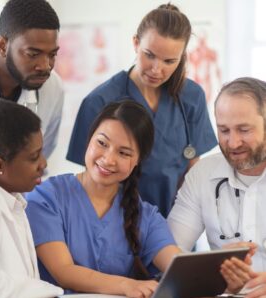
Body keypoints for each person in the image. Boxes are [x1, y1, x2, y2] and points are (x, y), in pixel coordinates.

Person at [66, 3, 217, 217]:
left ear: (182, 57)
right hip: (116, 221)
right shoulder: (100, 101)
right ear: (136, 43)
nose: (157, 69)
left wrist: (183, 223)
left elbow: (192, 169)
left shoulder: (191, 97)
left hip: (174, 220)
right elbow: (91, 178)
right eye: (149, 55)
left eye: (169, 61)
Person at [26, 100, 182, 298]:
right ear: (89, 139)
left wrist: (226, 272)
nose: (108, 159)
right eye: (102, 143)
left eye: (123, 153)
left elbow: (179, 267)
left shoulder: (147, 217)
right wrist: (127, 285)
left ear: (137, 161)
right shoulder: (47, 197)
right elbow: (63, 271)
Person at [168, 77, 266, 276]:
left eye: (244, 130)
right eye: (224, 130)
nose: (233, 143)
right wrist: (214, 269)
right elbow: (170, 252)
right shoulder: (202, 175)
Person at [0, 101, 63, 298]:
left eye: (41, 152)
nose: (43, 164)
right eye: (34, 157)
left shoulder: (9, 193)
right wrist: (50, 293)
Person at [0, 0, 64, 168]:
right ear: (3, 46)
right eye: (33, 54)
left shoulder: (53, 88)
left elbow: (38, 160)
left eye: (52, 54)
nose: (45, 66)